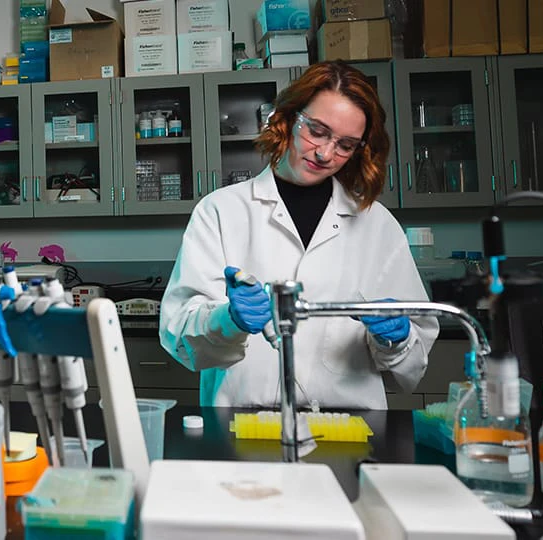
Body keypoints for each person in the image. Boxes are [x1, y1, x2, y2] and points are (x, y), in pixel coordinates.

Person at [159, 62, 436, 409]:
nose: (325, 153)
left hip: (348, 430)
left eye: (346, 145)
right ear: (287, 119)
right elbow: (179, 336)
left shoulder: (377, 225)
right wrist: (227, 320)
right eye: (317, 131)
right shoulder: (221, 211)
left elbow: (412, 369)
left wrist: (397, 339)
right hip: (242, 427)